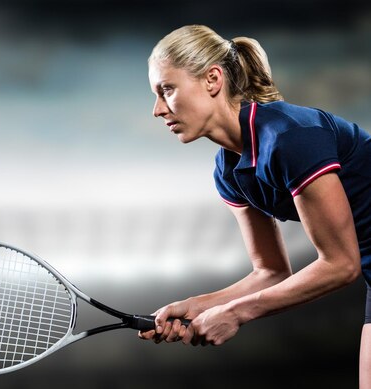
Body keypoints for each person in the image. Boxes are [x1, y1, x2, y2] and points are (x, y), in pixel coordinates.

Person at [138, 24, 371, 387]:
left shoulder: (289, 139)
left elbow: (341, 265)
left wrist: (234, 313)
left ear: (213, 79)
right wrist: (196, 306)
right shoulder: (228, 172)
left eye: (167, 89)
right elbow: (272, 271)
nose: (157, 109)